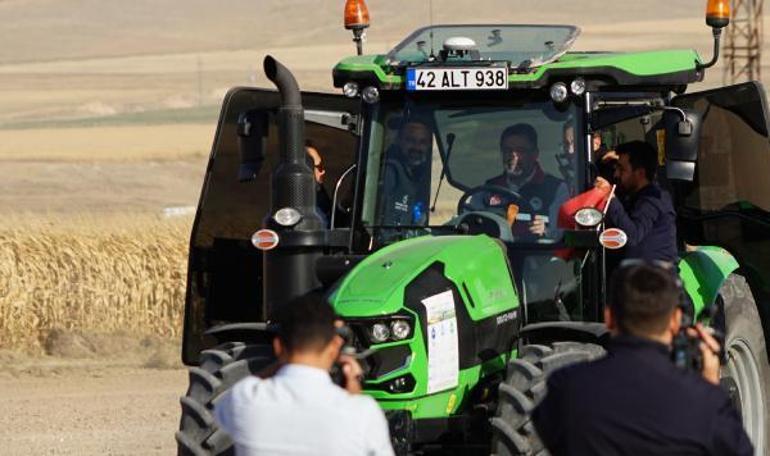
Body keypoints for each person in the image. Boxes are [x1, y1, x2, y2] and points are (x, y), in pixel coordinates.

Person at [531, 263, 753, 455]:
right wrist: (710, 385)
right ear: (676, 321)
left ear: (609, 318)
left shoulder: (565, 386)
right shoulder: (704, 402)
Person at [214, 293, 395, 456]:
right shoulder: (363, 412)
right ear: (333, 349)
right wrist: (354, 384)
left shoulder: (245, 398)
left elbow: (222, 410)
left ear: (278, 347)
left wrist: (282, 361)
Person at [595, 140, 677, 262]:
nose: (616, 174)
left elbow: (632, 236)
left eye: (621, 169)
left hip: (653, 277)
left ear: (640, 173)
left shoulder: (653, 200)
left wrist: (610, 197)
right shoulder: (632, 197)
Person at [483, 123, 569, 239]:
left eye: (520, 151)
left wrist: (546, 231)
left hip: (539, 253)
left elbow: (563, 233)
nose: (513, 156)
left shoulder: (556, 189)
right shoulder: (489, 188)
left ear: (535, 154)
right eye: (508, 150)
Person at [380, 117, 433, 226]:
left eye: (422, 142)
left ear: (429, 146)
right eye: (410, 140)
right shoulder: (389, 171)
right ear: (399, 141)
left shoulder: (418, 175)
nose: (417, 147)